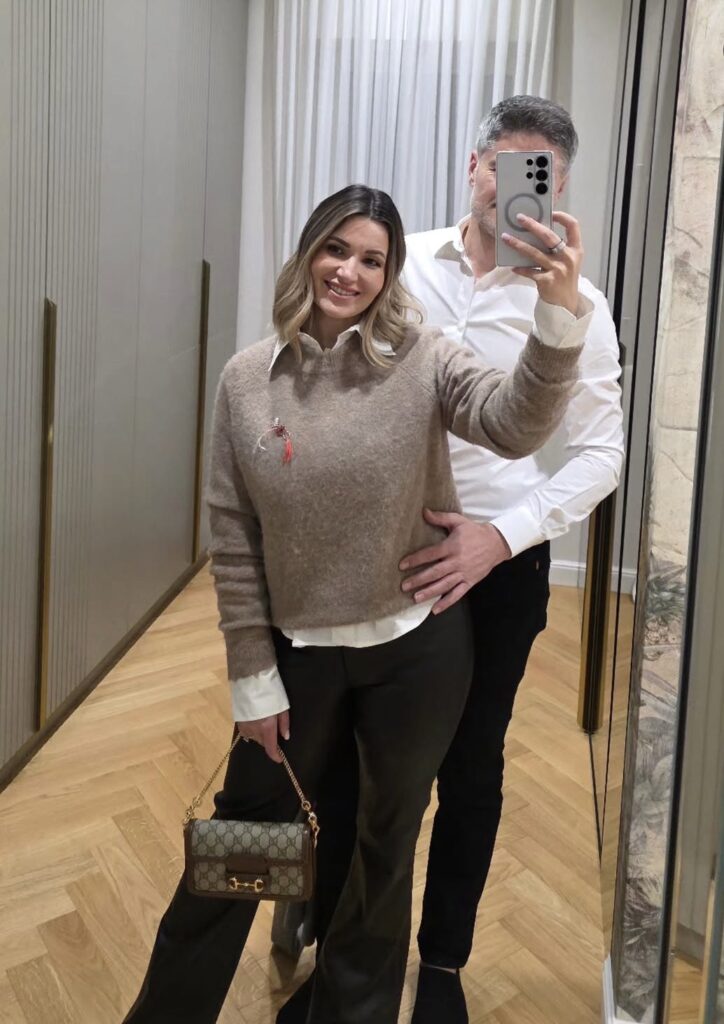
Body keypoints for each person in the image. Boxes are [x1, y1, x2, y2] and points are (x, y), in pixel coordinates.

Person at [121, 182, 591, 1024]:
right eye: (337, 249)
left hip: (418, 653)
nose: (350, 272)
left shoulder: (424, 357)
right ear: (308, 252)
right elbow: (234, 537)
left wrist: (556, 317)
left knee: (383, 846)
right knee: (250, 834)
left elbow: (515, 424)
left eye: (373, 260)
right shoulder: (247, 379)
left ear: (390, 274)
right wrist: (251, 677)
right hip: (298, 656)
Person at [276, 98, 624, 1024]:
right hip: (378, 552)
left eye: (539, 176)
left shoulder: (578, 306)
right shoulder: (398, 267)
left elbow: (603, 452)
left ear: (559, 189)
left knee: (471, 766)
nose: (514, 190)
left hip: (499, 567)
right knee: (353, 763)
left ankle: (441, 965)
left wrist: (500, 534)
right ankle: (335, 947)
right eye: (503, 166)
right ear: (474, 166)